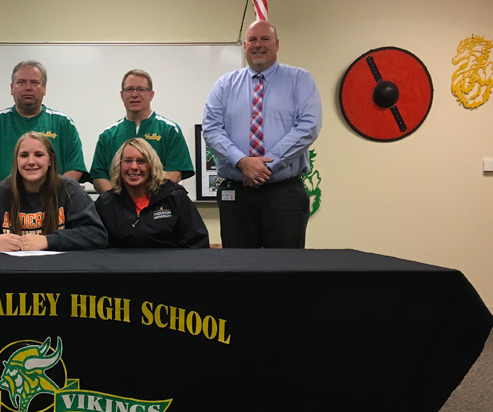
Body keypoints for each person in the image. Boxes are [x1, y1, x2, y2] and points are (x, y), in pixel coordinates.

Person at [201, 20, 321, 248]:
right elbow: (212, 128)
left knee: (286, 270)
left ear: (277, 44)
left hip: (284, 194)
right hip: (236, 194)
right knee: (239, 270)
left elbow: (309, 126)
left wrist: (265, 166)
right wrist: (242, 162)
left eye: (265, 39)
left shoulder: (300, 80)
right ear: (245, 46)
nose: (258, 45)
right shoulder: (224, 85)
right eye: (252, 40)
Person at [0, 132, 107, 251]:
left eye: (39, 155)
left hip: (58, 272)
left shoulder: (69, 189)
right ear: (16, 160)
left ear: (50, 160)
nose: (31, 162)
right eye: (24, 155)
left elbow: (96, 234)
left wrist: (48, 241)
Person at [0, 60, 87, 189]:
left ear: (44, 89)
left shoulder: (64, 123)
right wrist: (1, 198)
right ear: (12, 88)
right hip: (5, 205)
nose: (28, 87)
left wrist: (53, 197)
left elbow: (75, 167)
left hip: (53, 204)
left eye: (34, 82)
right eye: (21, 82)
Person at [90, 69, 194, 193]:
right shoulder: (107, 135)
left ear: (151, 94)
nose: (134, 94)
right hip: (118, 207)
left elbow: (175, 172)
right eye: (129, 89)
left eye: (140, 89)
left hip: (158, 205)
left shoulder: (169, 130)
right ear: (122, 95)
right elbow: (99, 176)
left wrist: (148, 200)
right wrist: (116, 202)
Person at [95, 138, 209, 249]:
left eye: (141, 161)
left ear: (152, 167)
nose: (134, 167)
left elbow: (198, 243)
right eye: (127, 161)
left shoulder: (174, 197)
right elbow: (98, 247)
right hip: (122, 267)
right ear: (119, 166)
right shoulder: (105, 203)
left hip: (169, 266)